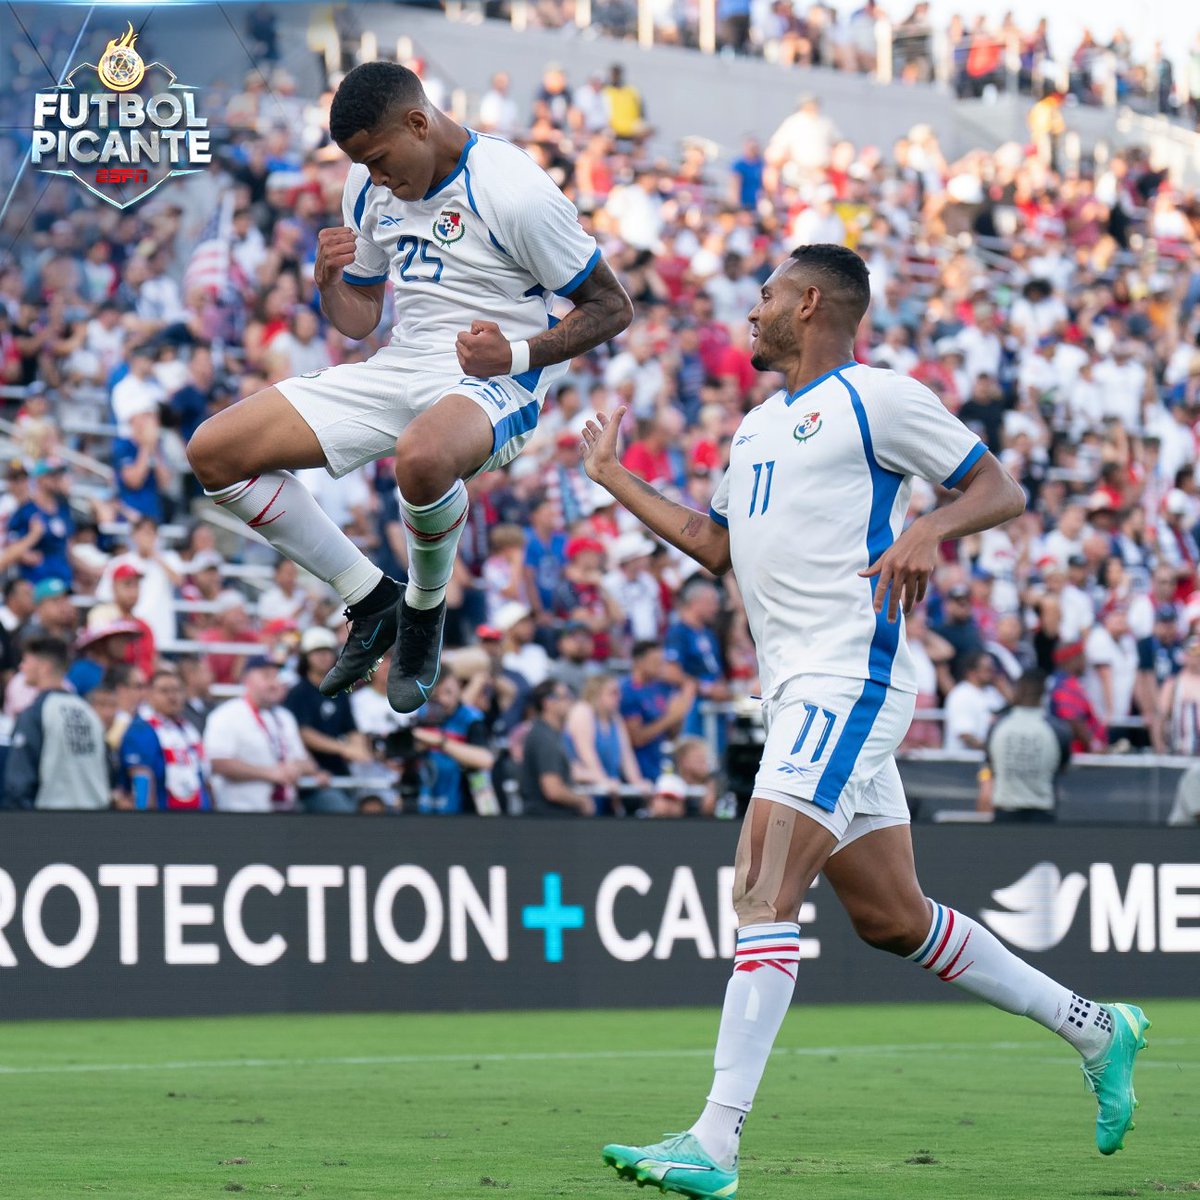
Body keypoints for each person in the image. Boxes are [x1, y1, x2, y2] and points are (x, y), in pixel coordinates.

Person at [581, 243, 1147, 1196]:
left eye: (762, 295)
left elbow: (996, 488)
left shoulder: (876, 397)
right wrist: (613, 477)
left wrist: (927, 527)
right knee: (894, 920)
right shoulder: (756, 428)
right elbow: (715, 549)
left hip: (851, 678)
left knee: (761, 886)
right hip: (800, 688)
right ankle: (1098, 1029)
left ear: (809, 303)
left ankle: (714, 1141)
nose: (749, 311)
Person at [186, 61, 632, 717]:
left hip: (499, 376)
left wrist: (513, 352)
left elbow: (612, 307)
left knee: (420, 459)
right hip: (403, 363)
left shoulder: (512, 190)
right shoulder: (368, 188)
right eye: (362, 165)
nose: (376, 178)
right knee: (214, 453)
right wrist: (328, 282)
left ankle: (424, 611)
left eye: (380, 159)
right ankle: (371, 598)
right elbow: (361, 317)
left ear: (419, 123)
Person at [3, 636, 109, 810]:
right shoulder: (88, 712)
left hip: (52, 822)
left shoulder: (35, 713)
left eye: (26, 661)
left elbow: (19, 782)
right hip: (96, 819)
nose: (21, 667)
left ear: (44, 667)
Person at [203, 656, 320, 812]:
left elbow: (307, 761)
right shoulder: (226, 715)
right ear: (246, 679)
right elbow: (217, 762)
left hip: (285, 811)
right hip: (240, 812)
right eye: (266, 676)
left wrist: (295, 767)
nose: (274, 683)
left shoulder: (285, 716)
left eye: (277, 676)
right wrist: (269, 773)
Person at [284, 626, 374, 812]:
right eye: (317, 652)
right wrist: (345, 749)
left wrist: (359, 748)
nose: (324, 656)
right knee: (343, 813)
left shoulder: (340, 692)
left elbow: (351, 728)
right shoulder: (298, 693)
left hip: (340, 773)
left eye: (327, 651)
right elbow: (303, 733)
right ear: (305, 657)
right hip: (311, 778)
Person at [981, 670, 1071, 822]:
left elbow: (990, 766)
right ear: (1044, 694)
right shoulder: (1057, 730)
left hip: (1004, 814)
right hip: (1042, 815)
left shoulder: (998, 727)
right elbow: (1062, 767)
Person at [119, 667, 213, 810]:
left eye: (177, 690)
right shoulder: (142, 729)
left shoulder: (189, 730)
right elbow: (142, 780)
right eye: (164, 691)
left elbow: (204, 779)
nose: (172, 696)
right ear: (149, 694)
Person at [564, 673, 649, 814]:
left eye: (618, 693)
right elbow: (586, 753)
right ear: (597, 694)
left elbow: (627, 756)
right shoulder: (582, 712)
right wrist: (602, 781)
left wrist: (637, 781)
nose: (618, 697)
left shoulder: (615, 719)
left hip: (607, 790)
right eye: (613, 693)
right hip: (586, 788)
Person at [519, 679, 594, 817]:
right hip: (547, 822)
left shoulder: (550, 734)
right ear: (547, 702)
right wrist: (582, 801)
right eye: (565, 697)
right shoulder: (544, 738)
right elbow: (553, 790)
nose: (570, 702)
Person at [942, 650, 1005, 751]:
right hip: (964, 761)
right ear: (971, 672)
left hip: (985, 760)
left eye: (993, 669)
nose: (992, 673)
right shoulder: (961, 694)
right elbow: (965, 735)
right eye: (987, 669)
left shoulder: (992, 693)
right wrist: (992, 749)